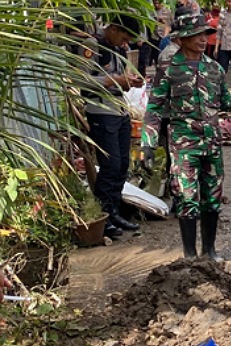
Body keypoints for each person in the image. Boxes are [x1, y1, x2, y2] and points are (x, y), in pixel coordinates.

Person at [142, 13, 231, 261]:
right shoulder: (168, 69)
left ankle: (209, 251)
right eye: (196, 35)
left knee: (212, 198)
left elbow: (226, 101)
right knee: (186, 198)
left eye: (205, 34)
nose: (203, 39)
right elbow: (154, 108)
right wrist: (148, 144)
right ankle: (190, 255)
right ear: (182, 39)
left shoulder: (214, 68)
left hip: (212, 143)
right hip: (183, 143)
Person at [77, 15, 144, 239]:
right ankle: (105, 216)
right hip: (101, 112)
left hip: (119, 111)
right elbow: (83, 80)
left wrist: (130, 81)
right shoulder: (92, 45)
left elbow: (120, 81)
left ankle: (114, 211)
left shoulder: (119, 49)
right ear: (113, 28)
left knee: (123, 164)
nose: (125, 44)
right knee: (110, 165)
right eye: (123, 37)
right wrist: (115, 80)